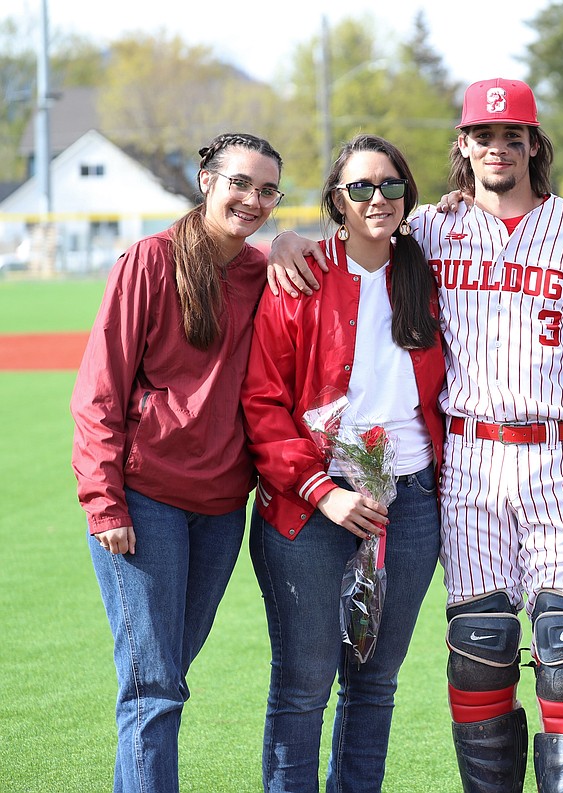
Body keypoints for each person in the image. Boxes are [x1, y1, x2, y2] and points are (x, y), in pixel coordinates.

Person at [268, 79, 563, 792]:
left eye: (512, 135)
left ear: (533, 144)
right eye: (483, 136)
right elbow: (358, 230)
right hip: (468, 458)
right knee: (480, 645)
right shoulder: (428, 227)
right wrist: (286, 236)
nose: (498, 147)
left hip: (560, 454)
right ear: (463, 146)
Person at [71, 132, 284, 793]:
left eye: (268, 190)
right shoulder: (148, 260)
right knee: (152, 685)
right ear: (206, 181)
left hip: (221, 509)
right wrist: (104, 502)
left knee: (162, 678)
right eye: (239, 183)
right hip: (144, 501)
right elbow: (98, 390)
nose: (252, 199)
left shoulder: (260, 273)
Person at [240, 134, 445, 792]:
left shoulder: (428, 270)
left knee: (374, 681)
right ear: (337, 199)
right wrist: (322, 490)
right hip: (311, 505)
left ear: (408, 193)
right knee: (304, 684)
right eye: (360, 187)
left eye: (389, 184)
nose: (377, 198)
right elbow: (263, 402)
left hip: (407, 502)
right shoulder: (301, 275)